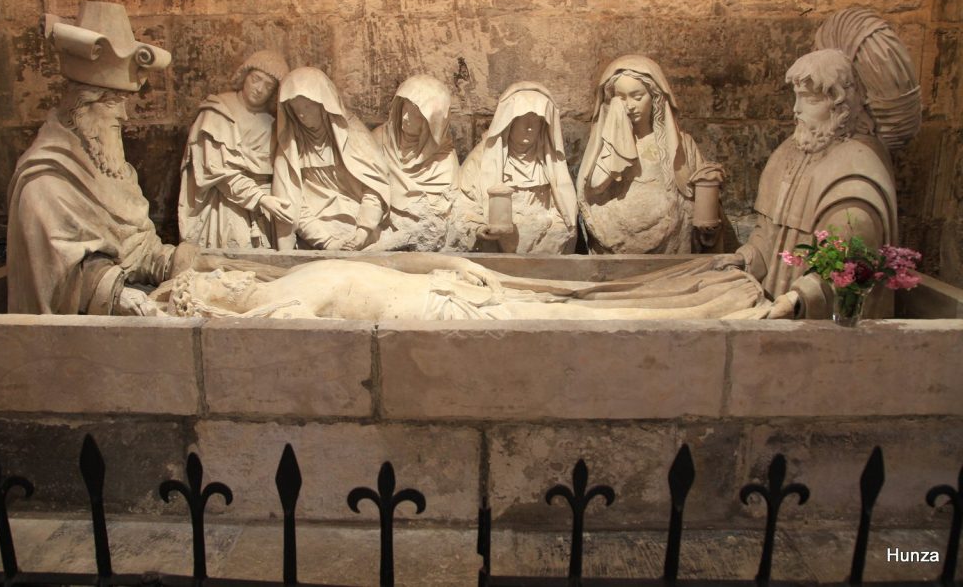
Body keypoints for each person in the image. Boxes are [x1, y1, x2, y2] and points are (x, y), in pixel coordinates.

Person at [7, 1, 193, 315]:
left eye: (124, 101)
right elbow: (61, 276)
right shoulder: (46, 183)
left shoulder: (111, 166)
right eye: (112, 102)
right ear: (82, 108)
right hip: (78, 336)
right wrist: (119, 296)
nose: (124, 115)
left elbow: (133, 247)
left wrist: (172, 262)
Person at [710, 48, 898, 318]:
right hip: (768, 297)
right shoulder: (792, 151)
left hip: (813, 318)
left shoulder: (858, 165)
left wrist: (798, 299)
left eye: (808, 99)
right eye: (796, 98)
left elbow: (853, 267)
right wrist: (746, 257)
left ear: (839, 103)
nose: (796, 110)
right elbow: (769, 233)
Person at [156, 252, 769, 321]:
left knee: (560, 297)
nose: (230, 275)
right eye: (217, 281)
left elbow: (379, 259)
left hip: (443, 287)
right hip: (437, 315)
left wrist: (441, 260)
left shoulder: (281, 278)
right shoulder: (272, 302)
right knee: (566, 319)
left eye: (222, 272)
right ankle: (710, 312)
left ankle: (699, 286)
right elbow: (299, 330)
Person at [576, 55, 724, 254]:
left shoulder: (682, 145)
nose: (630, 105)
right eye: (621, 99)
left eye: (638, 97)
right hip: (615, 241)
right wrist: (616, 134)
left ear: (655, 98)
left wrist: (707, 224)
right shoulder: (607, 148)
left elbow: (701, 205)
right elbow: (593, 189)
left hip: (671, 244)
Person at [178, 50, 291, 249]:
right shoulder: (218, 111)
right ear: (244, 76)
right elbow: (217, 171)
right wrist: (260, 198)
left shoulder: (273, 123)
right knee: (235, 256)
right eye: (256, 79)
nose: (259, 89)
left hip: (265, 205)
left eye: (268, 86)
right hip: (224, 203)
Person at [271, 67, 391, 250]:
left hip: (357, 228)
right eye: (295, 109)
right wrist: (326, 242)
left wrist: (362, 233)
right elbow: (290, 202)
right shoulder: (291, 145)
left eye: (307, 106)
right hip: (313, 233)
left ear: (323, 103)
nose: (302, 115)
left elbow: (375, 188)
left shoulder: (354, 135)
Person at [453, 82, 577, 254]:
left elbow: (564, 210)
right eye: (523, 120)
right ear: (509, 122)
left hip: (543, 248)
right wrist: (478, 227)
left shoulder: (551, 162)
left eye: (537, 121)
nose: (530, 127)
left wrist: (554, 228)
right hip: (495, 250)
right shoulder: (482, 159)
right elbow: (464, 203)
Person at [373, 74, 460, 251]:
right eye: (404, 109)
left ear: (432, 123)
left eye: (416, 115)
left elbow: (445, 215)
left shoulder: (444, 159)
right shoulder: (379, 141)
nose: (405, 118)